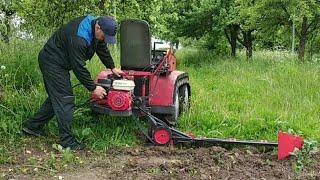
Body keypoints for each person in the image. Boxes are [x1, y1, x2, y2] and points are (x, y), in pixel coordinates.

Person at [22, 15, 122, 150]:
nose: (105, 39)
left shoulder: (95, 27)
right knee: (65, 98)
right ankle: (67, 141)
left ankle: (31, 126)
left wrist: (112, 66)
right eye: (105, 36)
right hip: (52, 62)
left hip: (59, 62)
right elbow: (78, 67)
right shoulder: (79, 38)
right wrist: (93, 88)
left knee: (56, 97)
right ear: (98, 27)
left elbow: (101, 47)